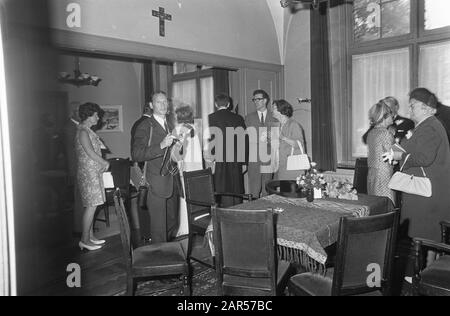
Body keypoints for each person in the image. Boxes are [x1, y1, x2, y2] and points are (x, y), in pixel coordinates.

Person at [384, 88, 450, 244]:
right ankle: (424, 267)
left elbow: (424, 158)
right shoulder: (426, 126)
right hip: (425, 193)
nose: (409, 109)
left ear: (425, 108)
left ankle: (423, 269)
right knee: (427, 239)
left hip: (427, 197)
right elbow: (413, 150)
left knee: (424, 239)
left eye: (412, 105)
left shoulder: (429, 127)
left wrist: (399, 156)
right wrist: (397, 153)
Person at [131, 91, 180, 243]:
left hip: (172, 179)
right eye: (159, 102)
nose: (163, 105)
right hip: (156, 182)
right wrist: (161, 145)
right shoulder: (145, 126)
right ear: (151, 105)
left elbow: (173, 153)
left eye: (165, 102)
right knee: (159, 228)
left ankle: (169, 253)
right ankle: (160, 258)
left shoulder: (170, 124)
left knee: (172, 222)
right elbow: (137, 154)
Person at [75, 102, 110, 251]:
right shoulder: (83, 132)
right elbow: (89, 152)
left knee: (93, 205)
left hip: (93, 173)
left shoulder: (87, 130)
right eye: (96, 114)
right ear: (89, 116)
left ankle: (90, 237)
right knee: (91, 206)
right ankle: (84, 240)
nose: (98, 117)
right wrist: (104, 162)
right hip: (88, 174)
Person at [207, 94, 246, 207]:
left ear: (216, 104)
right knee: (235, 188)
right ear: (228, 104)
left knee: (221, 188)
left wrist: (211, 158)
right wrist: (244, 162)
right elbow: (244, 141)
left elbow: (209, 140)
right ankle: (237, 215)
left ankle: (224, 217)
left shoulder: (210, 118)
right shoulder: (238, 118)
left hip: (218, 159)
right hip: (235, 159)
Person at [170, 105, 203, 237]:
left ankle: (185, 228)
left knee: (183, 197)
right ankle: (196, 225)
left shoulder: (177, 130)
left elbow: (176, 152)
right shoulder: (195, 128)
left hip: (184, 166)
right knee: (194, 197)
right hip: (196, 167)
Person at [244, 89, 278, 198]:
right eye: (254, 99)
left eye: (258, 99)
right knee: (254, 188)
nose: (255, 102)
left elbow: (276, 138)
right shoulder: (248, 118)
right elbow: (246, 137)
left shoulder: (274, 117)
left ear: (265, 100)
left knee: (267, 187)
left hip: (268, 156)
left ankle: (266, 211)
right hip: (253, 157)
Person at [366, 101, 396, 205]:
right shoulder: (386, 134)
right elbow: (392, 157)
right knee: (387, 205)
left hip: (372, 174)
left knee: (375, 205)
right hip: (384, 175)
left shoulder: (371, 133)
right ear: (384, 117)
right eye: (391, 113)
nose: (393, 116)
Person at [272, 99, 307, 181]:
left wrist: (283, 137)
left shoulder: (293, 125)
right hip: (281, 166)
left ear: (281, 110)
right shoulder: (278, 125)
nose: (272, 110)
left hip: (293, 169)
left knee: (290, 192)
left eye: (274, 108)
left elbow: (298, 144)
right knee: (283, 192)